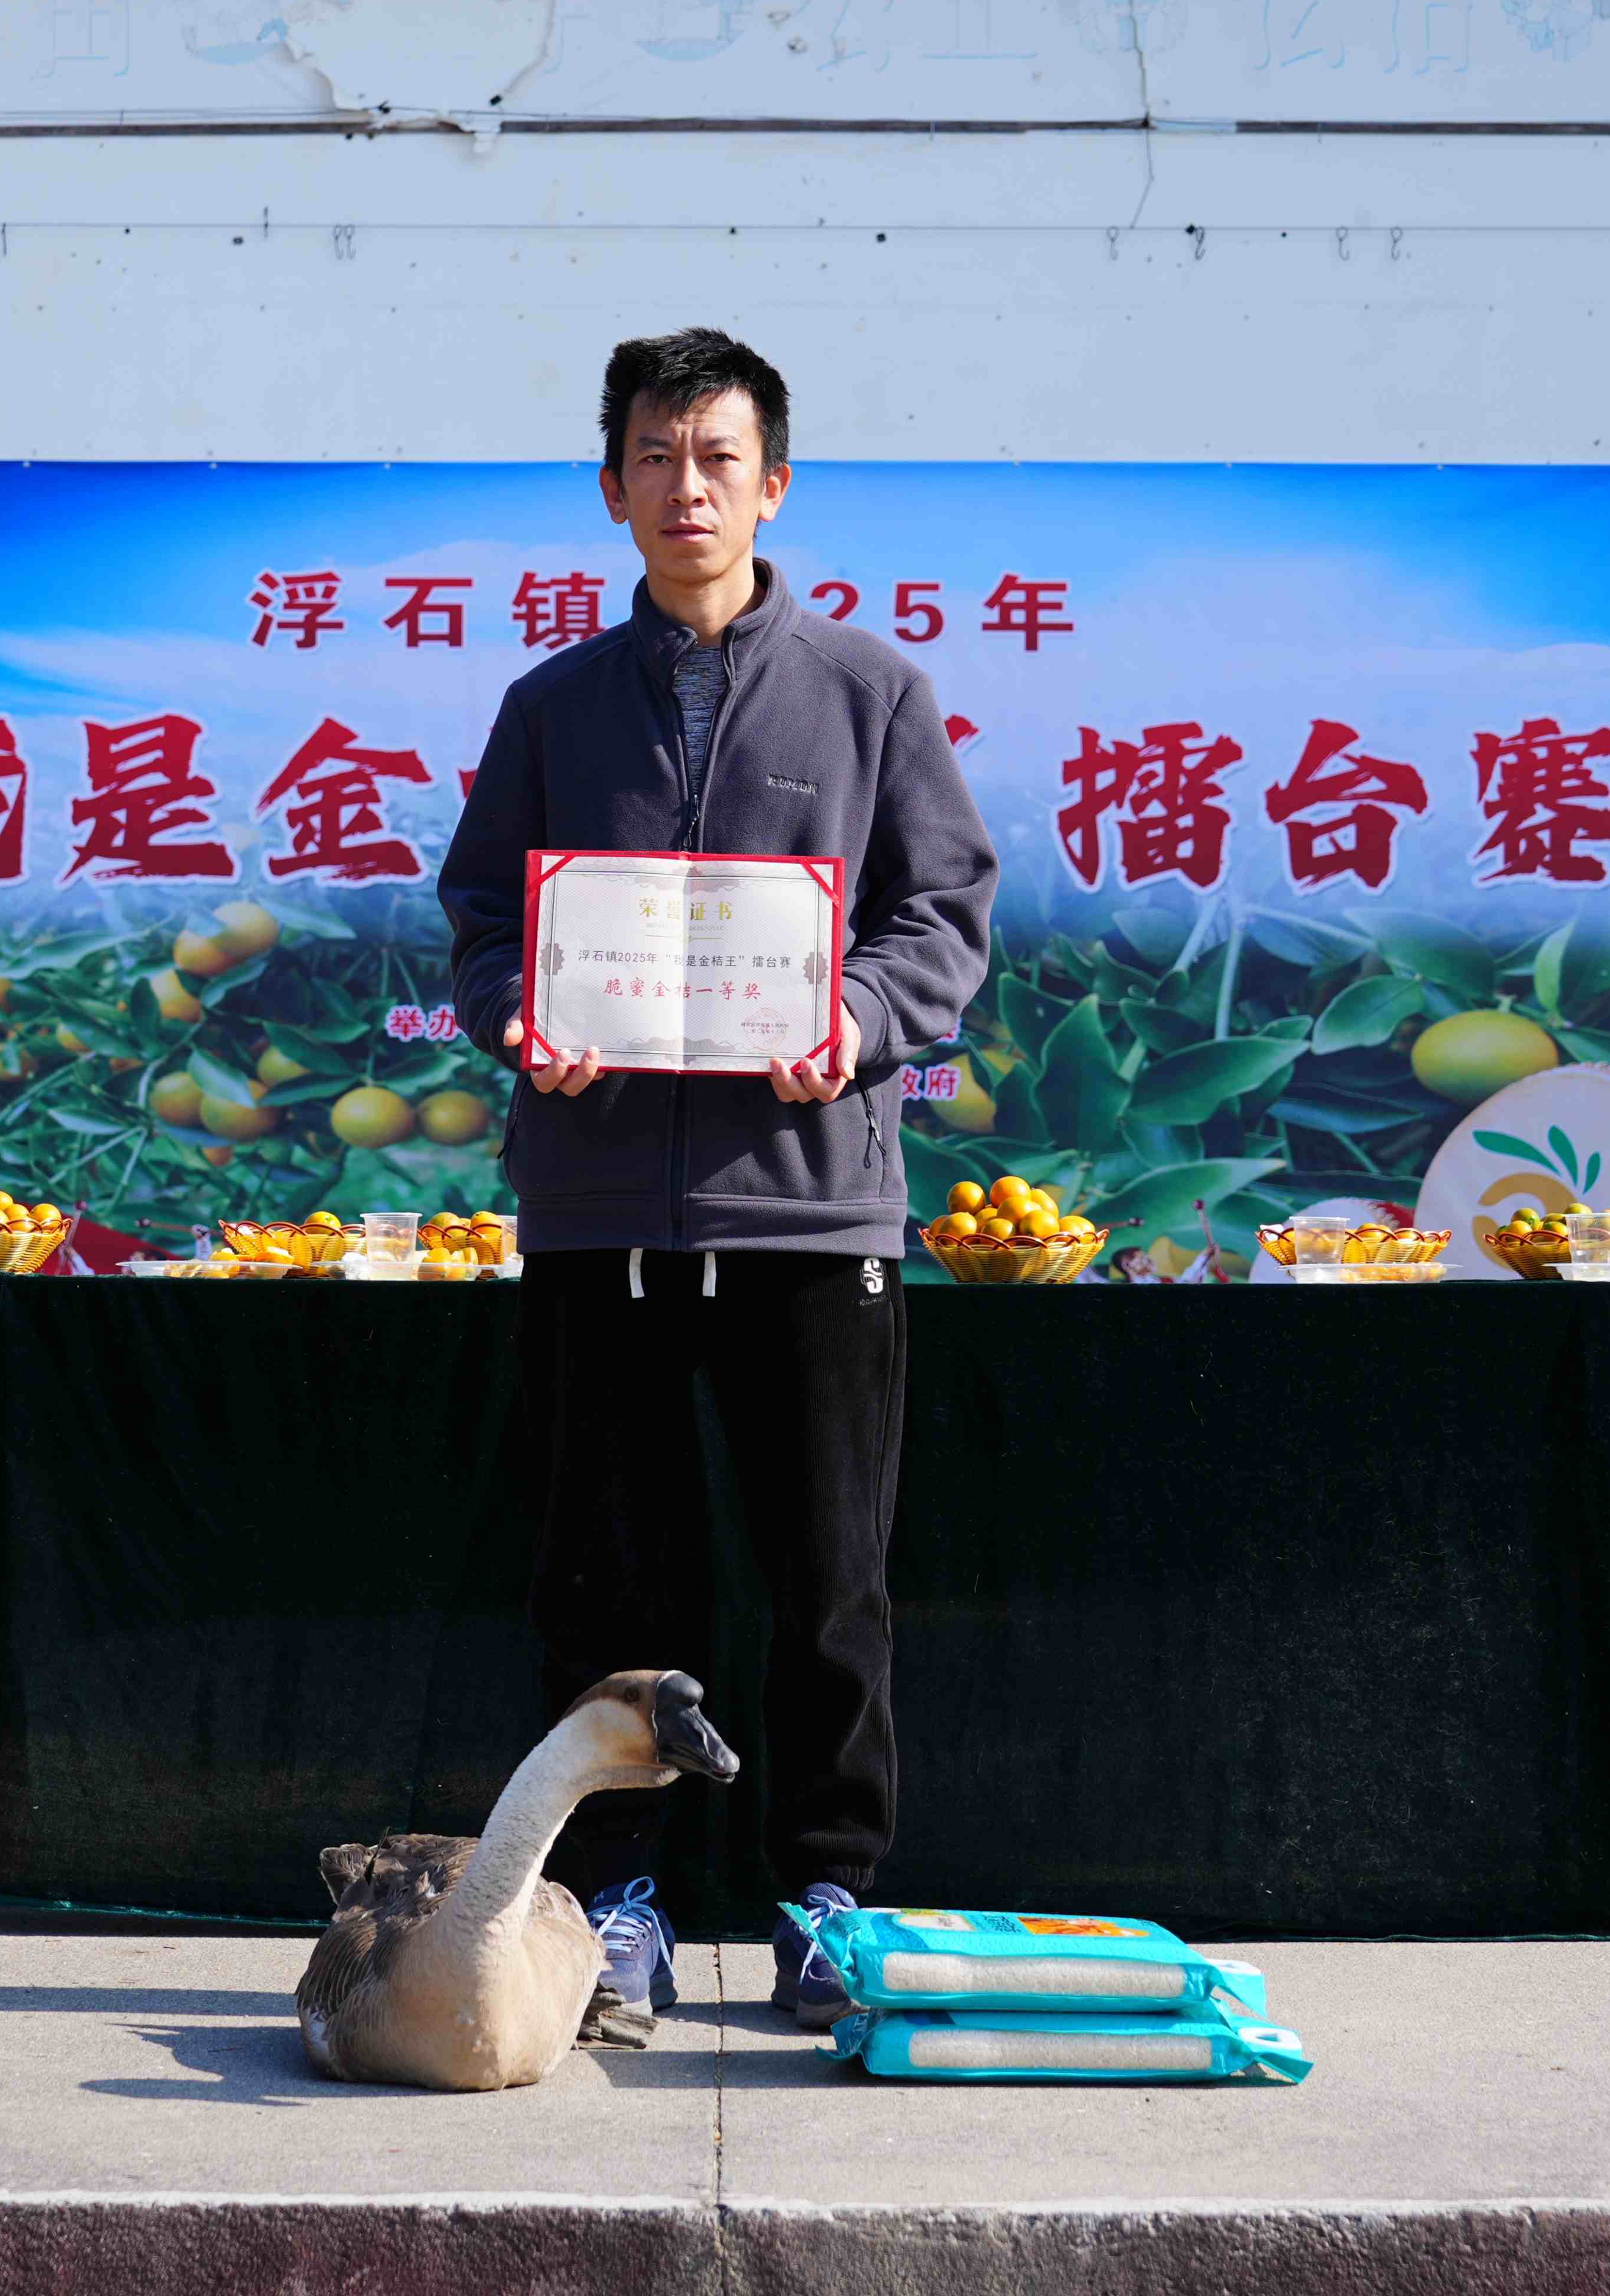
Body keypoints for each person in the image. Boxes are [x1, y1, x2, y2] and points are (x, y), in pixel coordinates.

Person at [439, 328, 996, 2034]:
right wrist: (523, 1015)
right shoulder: (551, 708)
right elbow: (484, 922)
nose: (688, 487)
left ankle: (826, 1898)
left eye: (719, 456)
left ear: (775, 485)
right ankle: (617, 1906)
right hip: (600, 1211)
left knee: (828, 1582)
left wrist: (858, 1017)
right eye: (656, 457)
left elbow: (942, 914)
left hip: (812, 1205)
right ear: (613, 490)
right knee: (608, 1587)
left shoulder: (872, 692)